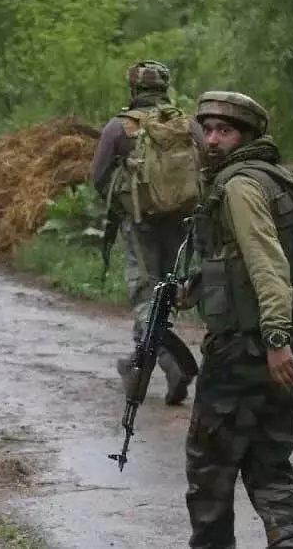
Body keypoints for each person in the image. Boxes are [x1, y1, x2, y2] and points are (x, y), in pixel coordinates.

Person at [184, 91, 293, 548]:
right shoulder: (279, 179)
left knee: (210, 468)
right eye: (209, 129)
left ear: (249, 137)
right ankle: (288, 542)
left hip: (249, 346)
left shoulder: (240, 186)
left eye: (226, 131)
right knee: (270, 464)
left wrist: (275, 337)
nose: (213, 139)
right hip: (285, 345)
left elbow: (268, 264)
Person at [90, 60, 198, 405]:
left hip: (140, 222)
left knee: (144, 294)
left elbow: (98, 178)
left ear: (134, 89)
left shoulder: (119, 128)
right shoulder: (187, 125)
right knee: (164, 293)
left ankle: (171, 363)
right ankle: (137, 370)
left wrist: (126, 201)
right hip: (181, 221)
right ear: (164, 88)